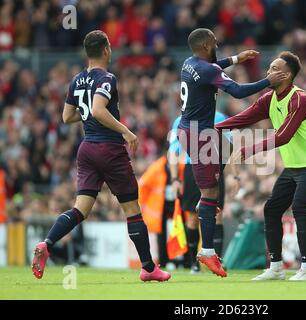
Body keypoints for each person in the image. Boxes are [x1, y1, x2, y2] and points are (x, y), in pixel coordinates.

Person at [31, 30, 171, 282]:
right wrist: (126, 131)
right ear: (106, 49)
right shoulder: (107, 78)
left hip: (87, 149)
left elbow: (67, 116)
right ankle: (149, 268)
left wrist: (88, 114)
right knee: (131, 209)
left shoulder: (76, 80)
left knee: (80, 209)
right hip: (109, 148)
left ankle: (47, 243)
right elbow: (97, 109)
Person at [176, 28, 286, 277]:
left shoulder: (189, 63)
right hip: (198, 135)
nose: (218, 44)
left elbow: (214, 66)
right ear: (206, 46)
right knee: (210, 193)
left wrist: (237, 59)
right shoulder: (209, 70)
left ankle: (205, 205)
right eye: (214, 42)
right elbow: (237, 91)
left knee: (229, 150)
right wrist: (270, 81)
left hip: (197, 130)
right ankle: (207, 251)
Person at [216, 51, 306, 281]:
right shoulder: (269, 98)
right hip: (294, 165)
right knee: (271, 210)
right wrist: (215, 128)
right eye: (269, 68)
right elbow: (244, 118)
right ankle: (276, 267)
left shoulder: (300, 99)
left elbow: (283, 136)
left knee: (299, 209)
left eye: (274, 69)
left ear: (287, 75)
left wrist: (244, 151)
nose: (268, 72)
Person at [169, 111, 236, 274]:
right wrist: (175, 179)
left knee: (217, 214)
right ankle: (194, 264)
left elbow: (228, 150)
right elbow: (173, 151)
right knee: (192, 217)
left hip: (215, 166)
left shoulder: (220, 118)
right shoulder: (180, 120)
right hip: (192, 169)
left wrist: (234, 176)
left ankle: (217, 260)